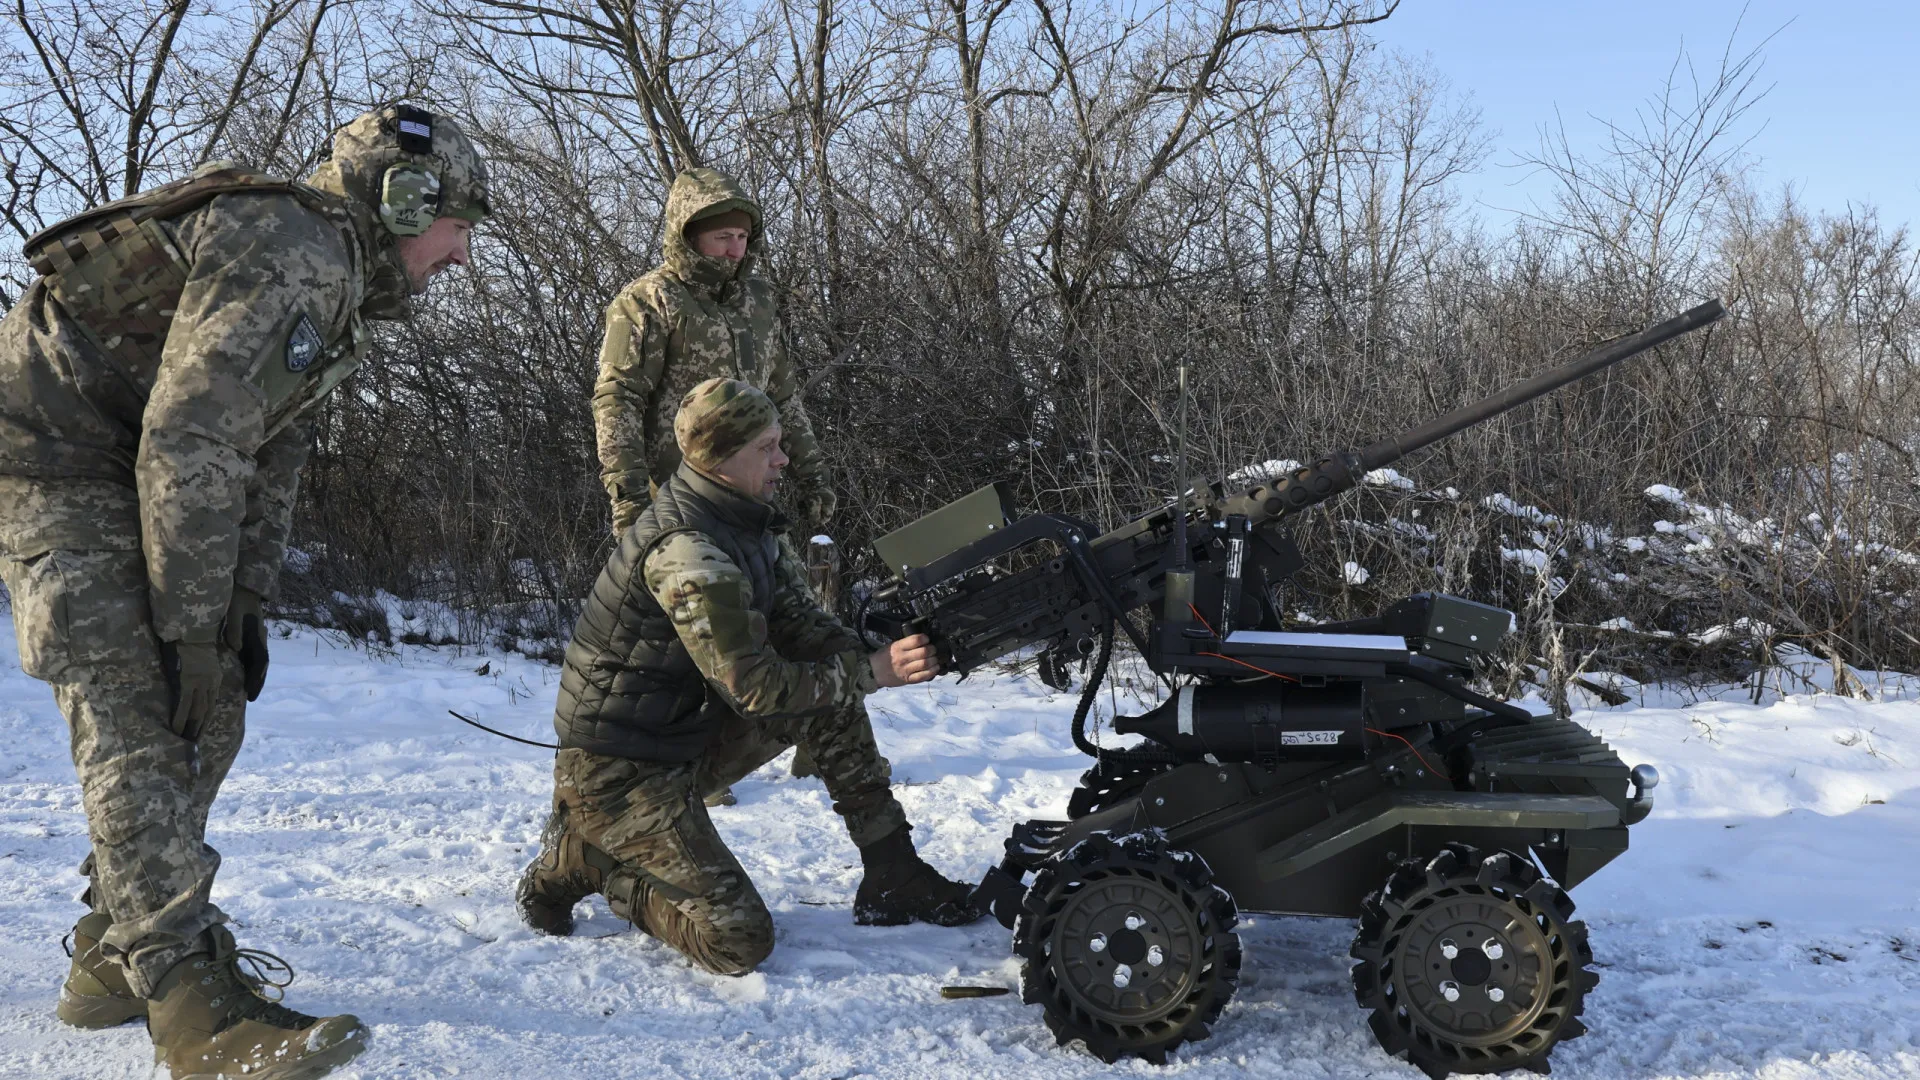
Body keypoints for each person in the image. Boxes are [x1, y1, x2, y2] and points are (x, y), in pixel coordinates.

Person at [0, 105, 489, 1079]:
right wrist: (184, 628)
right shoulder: (294, 243)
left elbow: (270, 458)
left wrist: (234, 616)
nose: (464, 254)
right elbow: (194, 438)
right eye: (461, 223)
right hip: (51, 458)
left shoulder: (334, 285)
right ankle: (191, 1010)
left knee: (211, 697)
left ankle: (113, 951)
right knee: (137, 696)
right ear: (404, 201)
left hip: (128, 457)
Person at [516, 378, 982, 974]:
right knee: (737, 941)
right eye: (767, 447)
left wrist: (892, 646)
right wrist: (870, 671)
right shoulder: (687, 552)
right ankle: (593, 861)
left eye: (780, 443)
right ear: (718, 457)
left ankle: (893, 870)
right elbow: (755, 688)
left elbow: (805, 629)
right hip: (618, 772)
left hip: (685, 737)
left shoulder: (745, 521)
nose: (783, 459)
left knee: (831, 688)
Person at [594, 164, 837, 804]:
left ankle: (823, 742)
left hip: (754, 498)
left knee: (795, 618)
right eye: (720, 237)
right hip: (680, 507)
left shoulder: (759, 301)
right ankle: (689, 769)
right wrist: (628, 497)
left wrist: (809, 467)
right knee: (691, 644)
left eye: (742, 237)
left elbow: (783, 393)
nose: (734, 250)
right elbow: (616, 400)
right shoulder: (647, 303)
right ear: (686, 234)